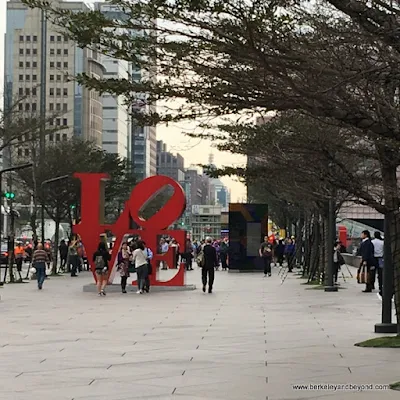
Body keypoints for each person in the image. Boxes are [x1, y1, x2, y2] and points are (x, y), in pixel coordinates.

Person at [371, 231, 384, 296]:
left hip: (373, 258)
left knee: (372, 272)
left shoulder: (372, 242)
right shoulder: (382, 242)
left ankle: (372, 284)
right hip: (380, 258)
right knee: (380, 273)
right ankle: (380, 285)